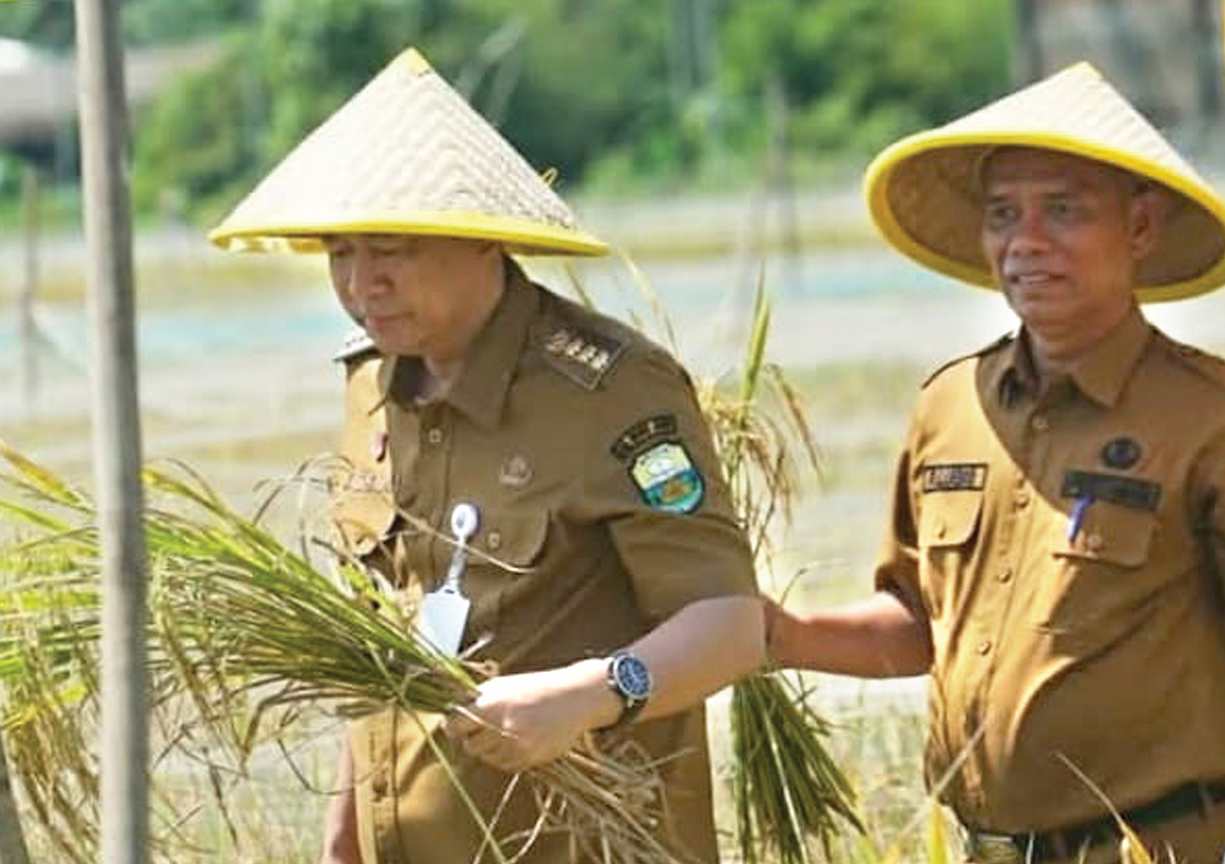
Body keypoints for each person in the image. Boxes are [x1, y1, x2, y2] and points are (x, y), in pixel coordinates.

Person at [209, 48, 764, 864]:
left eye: (390, 248)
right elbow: (379, 632)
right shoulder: (371, 387)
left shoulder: (612, 390)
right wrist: (344, 838)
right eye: (340, 252)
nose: (362, 283)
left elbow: (729, 627)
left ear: (481, 242)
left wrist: (590, 695)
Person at [766, 63, 1225, 864]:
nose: (1025, 242)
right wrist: (778, 634)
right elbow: (921, 625)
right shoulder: (950, 405)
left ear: (1140, 227)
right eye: (1002, 214)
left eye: (1063, 210)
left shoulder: (1204, 416)